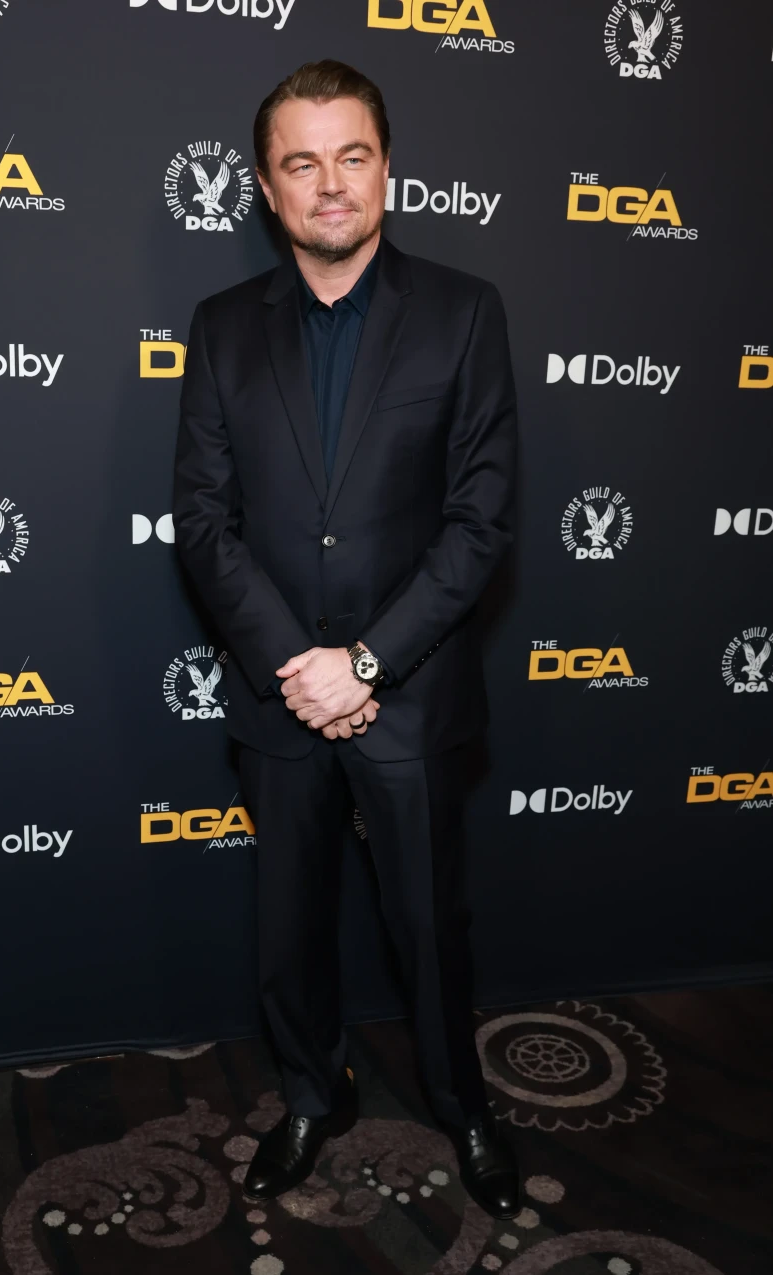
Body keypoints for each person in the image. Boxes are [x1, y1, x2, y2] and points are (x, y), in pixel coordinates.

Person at [173, 60, 519, 1218]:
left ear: (388, 169)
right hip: (279, 693)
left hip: (408, 693)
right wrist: (303, 669)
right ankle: (312, 1095)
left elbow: (481, 519)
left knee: (430, 925)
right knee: (288, 931)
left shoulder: (464, 312)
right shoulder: (222, 329)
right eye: (301, 162)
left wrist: (366, 664)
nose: (330, 182)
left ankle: (463, 1106)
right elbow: (204, 522)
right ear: (268, 188)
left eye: (352, 155)